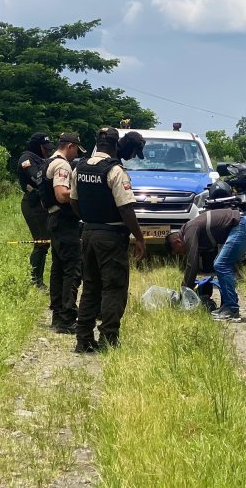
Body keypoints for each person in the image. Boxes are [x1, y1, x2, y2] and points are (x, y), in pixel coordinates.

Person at [71, 128, 147, 353]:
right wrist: (140, 238)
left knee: (91, 287)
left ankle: (83, 339)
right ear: (115, 146)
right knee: (114, 288)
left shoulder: (79, 168)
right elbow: (126, 208)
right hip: (111, 236)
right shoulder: (115, 171)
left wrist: (88, 219)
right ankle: (108, 339)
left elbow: (74, 202)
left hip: (88, 233)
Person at [166, 191, 246, 322]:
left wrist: (184, 289)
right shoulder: (191, 230)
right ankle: (228, 305)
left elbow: (192, 263)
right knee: (222, 264)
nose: (181, 254)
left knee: (221, 264)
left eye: (177, 252)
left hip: (244, 225)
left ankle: (232, 309)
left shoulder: (189, 230)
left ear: (178, 242)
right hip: (245, 225)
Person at [42, 132, 85, 334]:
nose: (76, 153)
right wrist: (80, 192)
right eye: (76, 149)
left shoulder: (49, 161)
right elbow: (61, 195)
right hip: (64, 221)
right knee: (72, 269)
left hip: (53, 219)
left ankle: (58, 314)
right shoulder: (62, 165)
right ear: (70, 146)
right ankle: (67, 318)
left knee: (58, 268)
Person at [15, 132, 54, 289]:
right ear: (38, 147)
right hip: (33, 204)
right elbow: (37, 179)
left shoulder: (40, 159)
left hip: (41, 204)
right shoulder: (27, 159)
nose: (48, 151)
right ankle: (35, 281)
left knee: (44, 242)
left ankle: (37, 279)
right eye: (45, 149)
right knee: (41, 241)